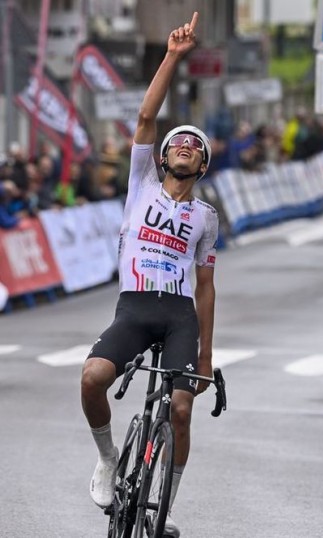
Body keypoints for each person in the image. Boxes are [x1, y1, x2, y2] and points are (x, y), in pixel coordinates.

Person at [80, 12, 218, 537]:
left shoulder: (206, 218)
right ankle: (109, 458)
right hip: (135, 305)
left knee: (180, 411)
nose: (185, 146)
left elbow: (206, 286)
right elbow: (143, 117)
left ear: (202, 166)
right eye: (178, 142)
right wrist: (173, 56)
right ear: (161, 158)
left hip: (179, 314)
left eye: (196, 146)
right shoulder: (141, 186)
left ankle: (166, 508)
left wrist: (205, 353)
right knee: (92, 378)